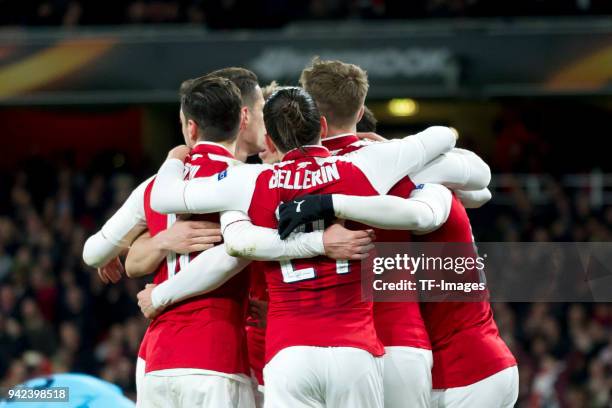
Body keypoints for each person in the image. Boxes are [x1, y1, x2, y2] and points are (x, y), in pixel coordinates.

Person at [148, 86, 466, 407]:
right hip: (355, 351)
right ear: (323, 129)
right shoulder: (364, 165)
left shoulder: (251, 181)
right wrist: (387, 146)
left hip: (289, 353)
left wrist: (174, 160)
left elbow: (164, 198)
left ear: (269, 141)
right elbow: (443, 135)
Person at [83, 70, 371, 407]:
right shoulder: (250, 182)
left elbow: (96, 252)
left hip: (159, 359)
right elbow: (236, 249)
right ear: (245, 117)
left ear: (190, 127)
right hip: (222, 355)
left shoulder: (159, 184)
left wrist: (149, 239)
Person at [298, 57, 492, 408]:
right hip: (403, 341)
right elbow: (479, 178)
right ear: (360, 113)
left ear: (312, 116)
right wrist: (392, 147)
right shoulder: (392, 162)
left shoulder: (288, 176)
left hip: (323, 345)